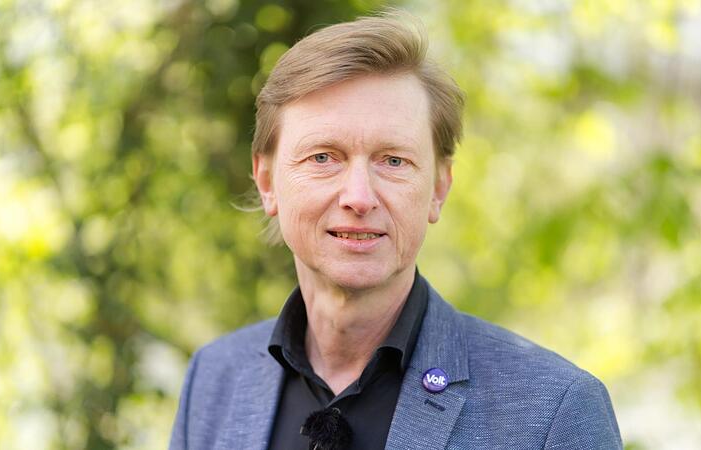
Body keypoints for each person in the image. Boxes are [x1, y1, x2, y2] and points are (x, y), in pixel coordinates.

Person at [169, 11, 622, 450]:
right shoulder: (214, 379)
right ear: (267, 181)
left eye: (393, 160)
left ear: (438, 188)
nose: (359, 197)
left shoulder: (554, 411)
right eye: (323, 157)